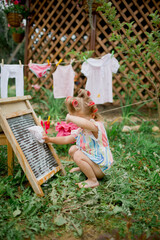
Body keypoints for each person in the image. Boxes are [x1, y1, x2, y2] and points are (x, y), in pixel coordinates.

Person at [42, 89, 114, 188]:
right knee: (73, 149)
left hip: (102, 168)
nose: (76, 122)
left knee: (78, 155)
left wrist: (71, 118)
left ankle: (93, 180)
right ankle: (84, 168)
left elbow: (85, 123)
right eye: (75, 119)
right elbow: (66, 139)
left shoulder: (96, 126)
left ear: (92, 116)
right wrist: (50, 139)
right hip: (94, 163)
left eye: (79, 119)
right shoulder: (81, 130)